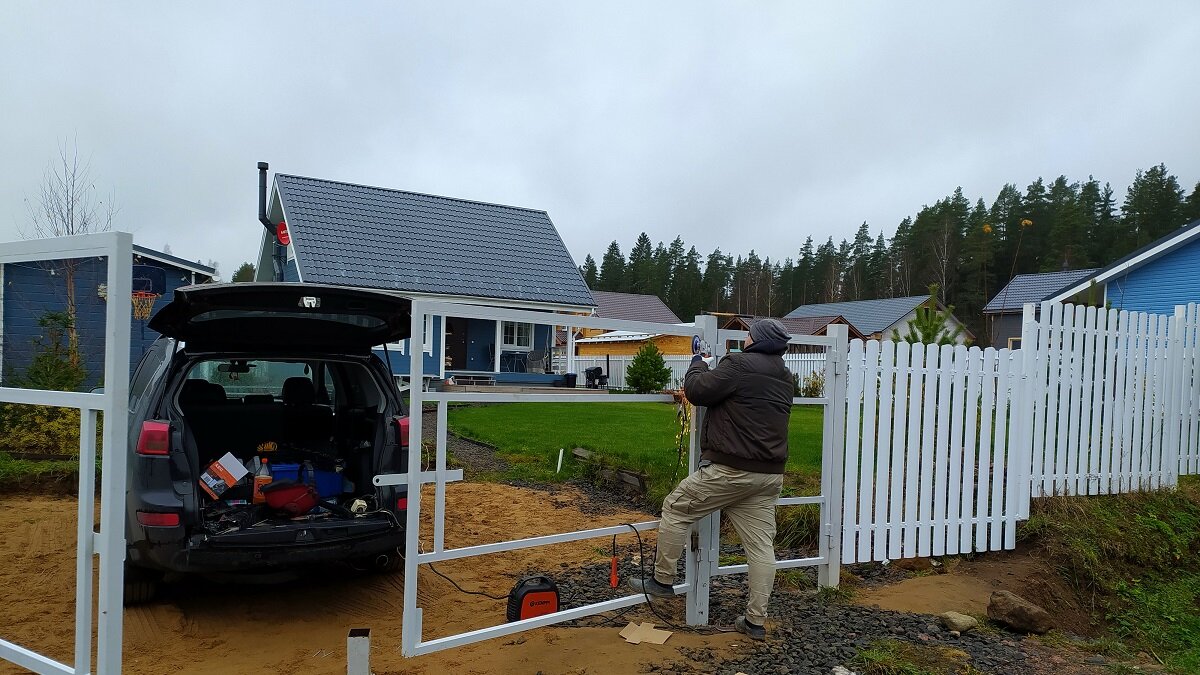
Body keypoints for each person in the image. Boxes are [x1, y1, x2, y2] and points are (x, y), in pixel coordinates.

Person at [630, 318, 795, 640]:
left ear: (756, 339)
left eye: (748, 335)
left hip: (732, 470)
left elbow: (697, 391)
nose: (745, 338)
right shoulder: (785, 374)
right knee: (761, 548)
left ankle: (662, 581)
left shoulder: (739, 364)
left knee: (676, 509)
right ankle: (755, 621)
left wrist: (697, 363)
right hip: (769, 475)